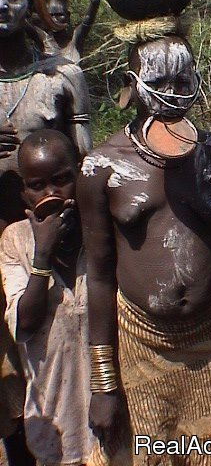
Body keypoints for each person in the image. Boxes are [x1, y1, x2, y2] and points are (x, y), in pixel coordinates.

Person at [77, 18, 211, 466]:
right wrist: (104, 383)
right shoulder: (101, 167)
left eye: (183, 78)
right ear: (131, 85)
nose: (174, 90)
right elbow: (100, 277)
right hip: (143, 348)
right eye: (159, 80)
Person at [0, 0, 92, 464]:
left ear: (30, 0)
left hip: (59, 244)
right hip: (11, 253)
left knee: (58, 361)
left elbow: (84, 158)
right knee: (9, 389)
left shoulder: (60, 76)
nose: (1, 6)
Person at [0, 129, 99, 466]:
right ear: (23, 192)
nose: (51, 193)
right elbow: (24, 323)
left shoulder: (100, 231)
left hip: (109, 409)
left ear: (79, 173)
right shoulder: (15, 241)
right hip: (53, 417)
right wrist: (42, 255)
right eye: (37, 185)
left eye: (61, 180)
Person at [41, 0, 101, 64]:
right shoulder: (41, 40)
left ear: (68, 16)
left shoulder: (76, 39)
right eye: (50, 15)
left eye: (59, 14)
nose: (54, 19)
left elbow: (95, 0)